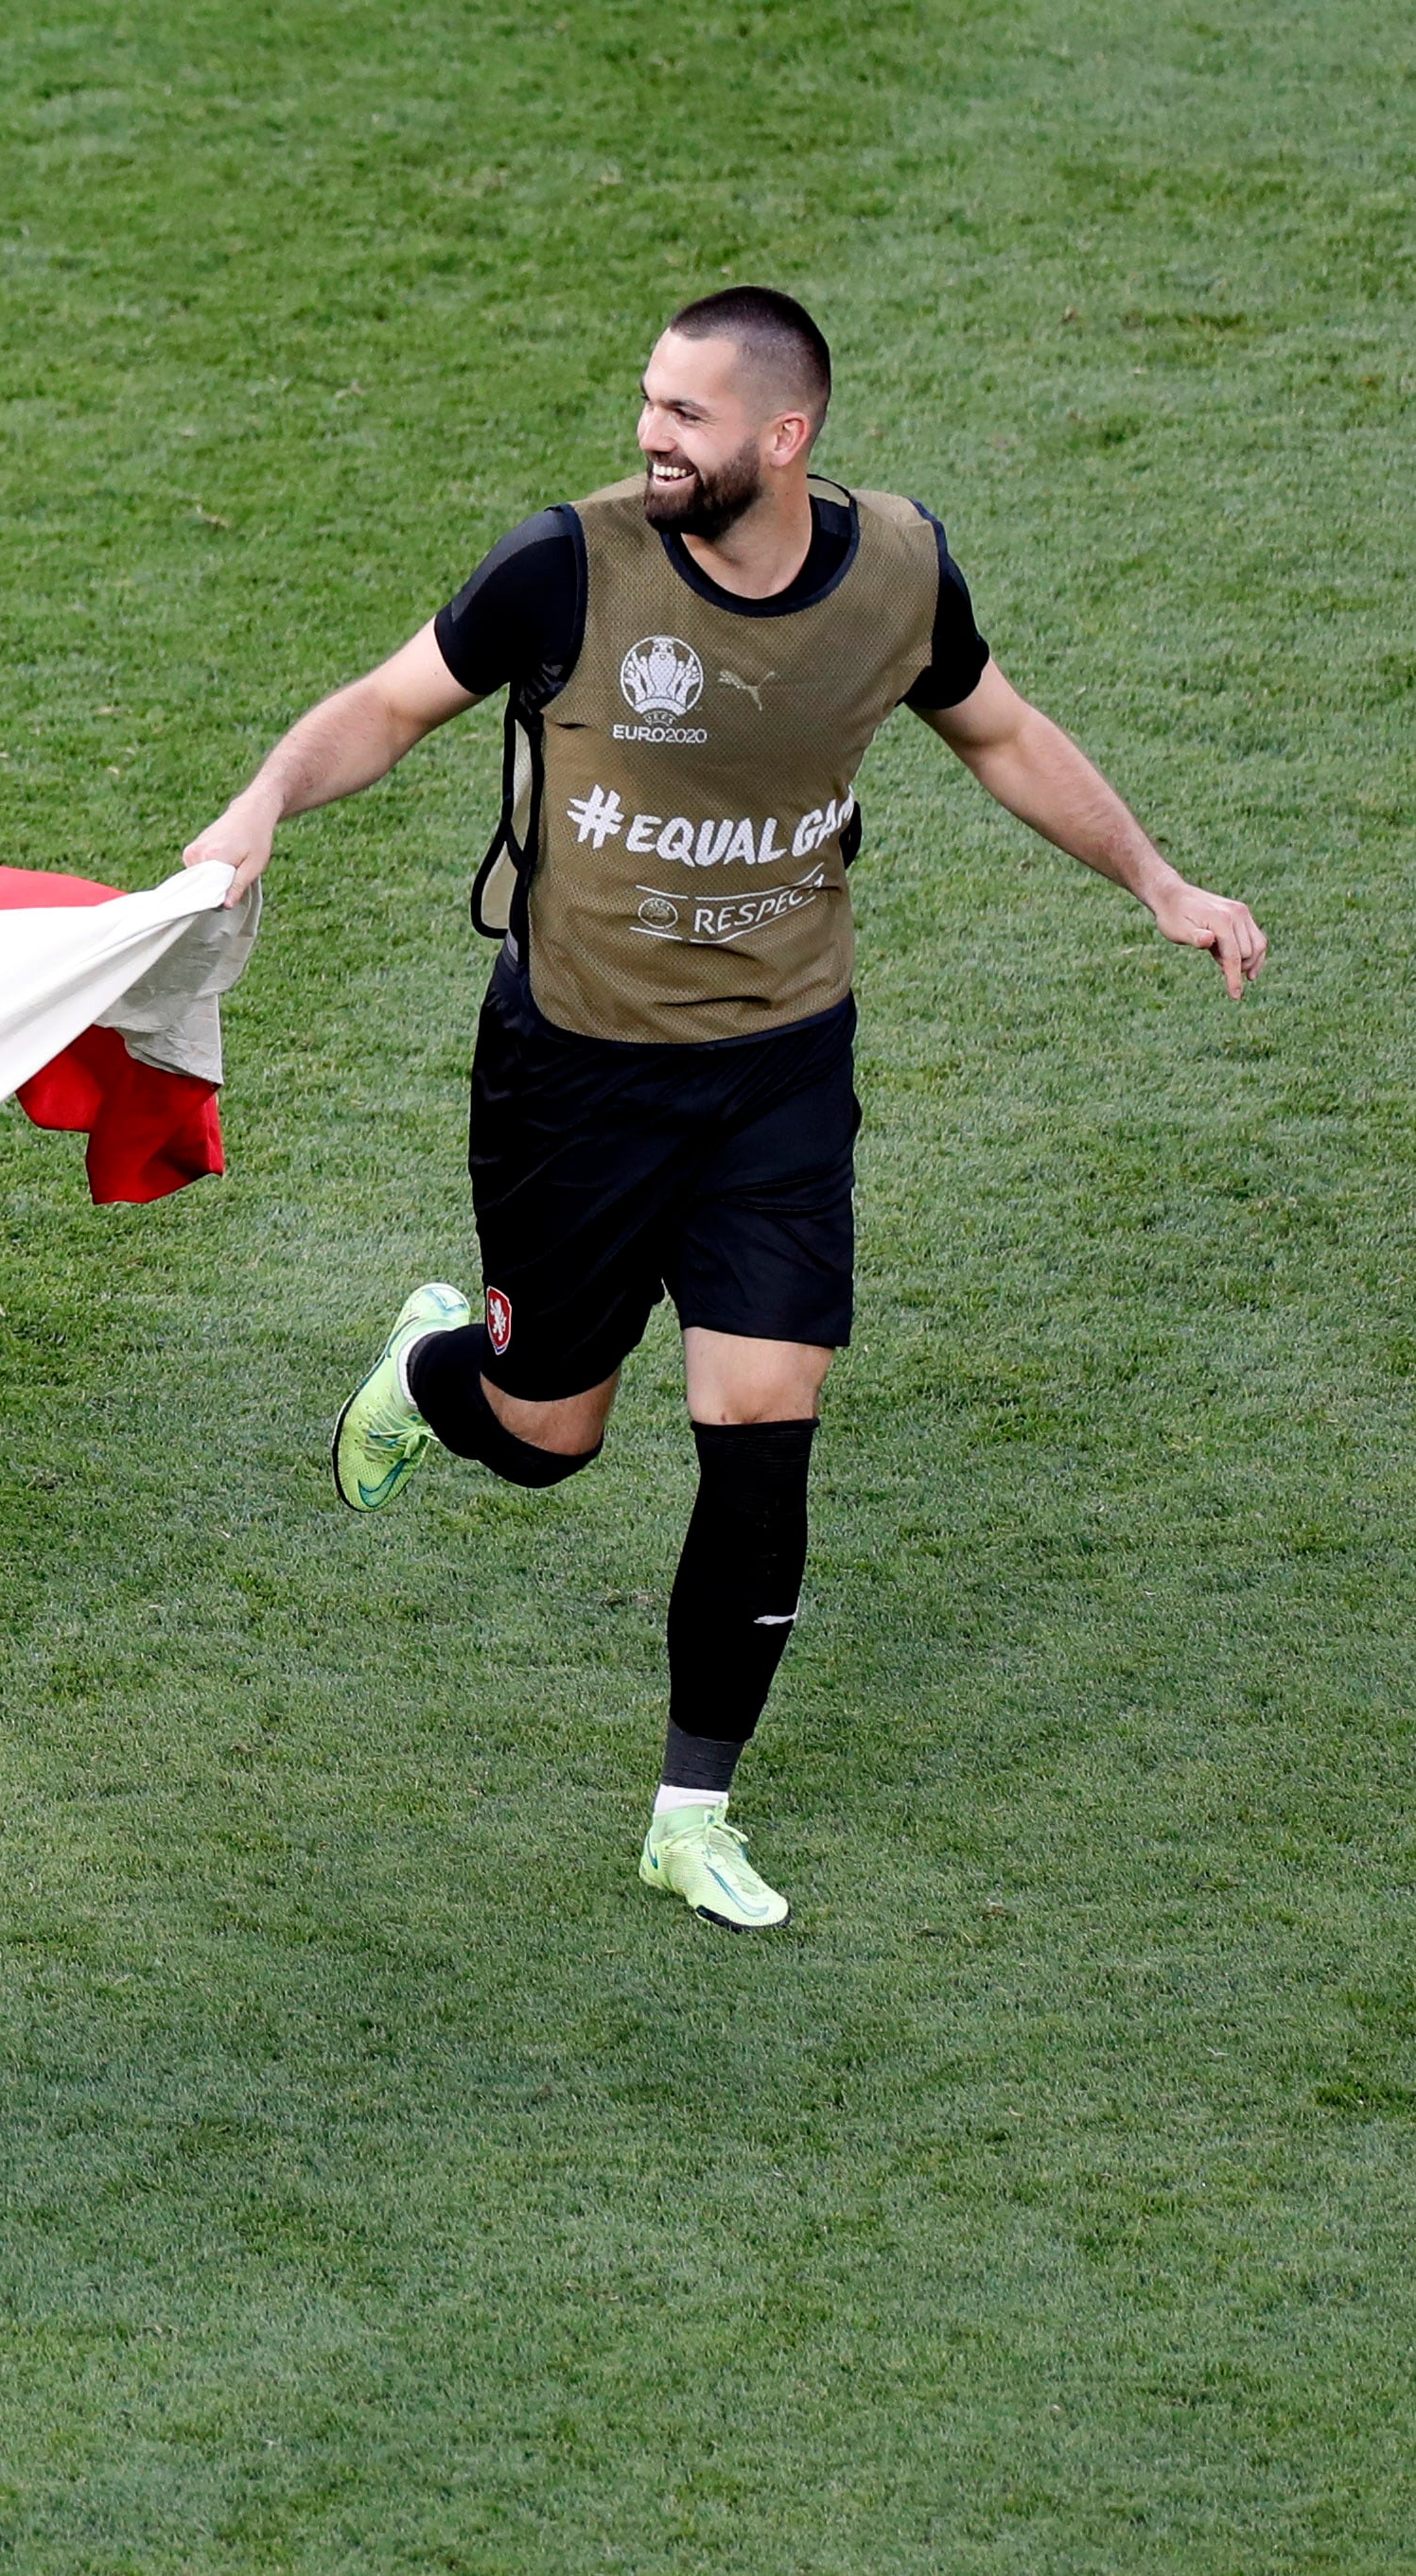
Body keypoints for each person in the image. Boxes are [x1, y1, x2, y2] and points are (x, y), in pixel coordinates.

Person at [178, 287, 1266, 1931]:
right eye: (645, 404)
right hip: (577, 1076)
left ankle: (691, 1811)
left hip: (777, 1071)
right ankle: (429, 1365)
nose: (649, 436)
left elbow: (1000, 730)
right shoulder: (568, 563)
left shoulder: (897, 567)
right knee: (549, 1436)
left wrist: (1156, 879)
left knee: (762, 1430)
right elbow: (390, 704)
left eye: (685, 414)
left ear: (785, 435)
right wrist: (261, 797)